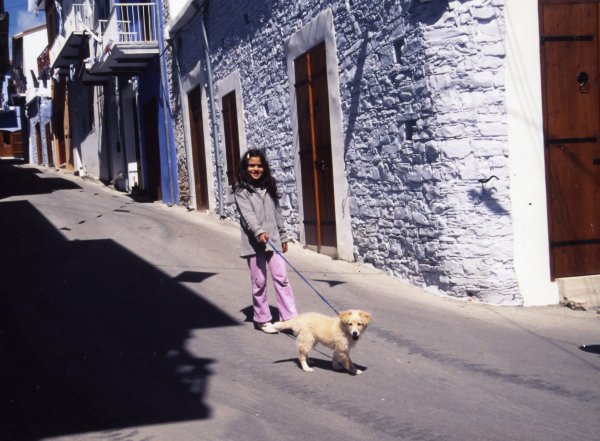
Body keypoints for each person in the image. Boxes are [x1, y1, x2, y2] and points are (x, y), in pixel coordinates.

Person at [233, 149, 298, 333]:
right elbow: (248, 216)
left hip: (274, 241)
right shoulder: (240, 189)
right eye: (252, 165)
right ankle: (262, 319)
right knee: (259, 281)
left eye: (259, 165)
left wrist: (283, 235)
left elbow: (277, 213)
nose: (256, 169)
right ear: (245, 168)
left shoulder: (269, 186)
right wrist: (259, 231)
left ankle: (290, 318)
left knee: (282, 278)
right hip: (254, 244)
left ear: (264, 167)